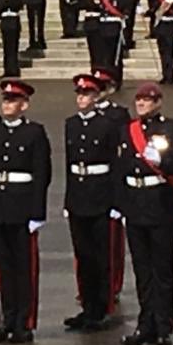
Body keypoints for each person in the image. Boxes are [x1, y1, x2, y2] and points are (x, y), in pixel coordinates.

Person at [115, 83, 173, 345]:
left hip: (161, 204)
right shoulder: (127, 130)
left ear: (158, 102)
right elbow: (120, 169)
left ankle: (163, 326)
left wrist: (163, 163)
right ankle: (145, 323)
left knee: (162, 268)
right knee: (142, 270)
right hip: (135, 204)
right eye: (138, 100)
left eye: (147, 100)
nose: (141, 104)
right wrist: (120, 204)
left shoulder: (171, 128)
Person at [0, 79, 51, 344]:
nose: (7, 105)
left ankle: (24, 321)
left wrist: (37, 213)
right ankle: (8, 318)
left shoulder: (34, 133)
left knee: (24, 269)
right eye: (5, 100)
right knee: (4, 268)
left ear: (24, 105)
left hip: (22, 207)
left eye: (13, 101)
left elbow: (41, 174)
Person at [63, 74, 119, 331]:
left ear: (96, 97)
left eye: (86, 94)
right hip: (79, 194)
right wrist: (68, 198)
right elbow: (70, 163)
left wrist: (116, 201)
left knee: (101, 255)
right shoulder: (71, 124)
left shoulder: (107, 125)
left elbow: (116, 165)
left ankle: (102, 309)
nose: (81, 99)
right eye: (79, 94)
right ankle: (87, 306)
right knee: (83, 255)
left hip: (100, 193)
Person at [91, 67, 131, 305]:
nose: (97, 93)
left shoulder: (118, 115)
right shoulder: (85, 115)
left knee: (112, 240)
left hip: (111, 178)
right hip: (90, 184)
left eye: (101, 88)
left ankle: (113, 284)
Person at [79, 0, 105, 69]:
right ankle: (94, 65)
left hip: (99, 21)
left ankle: (100, 65)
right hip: (89, 22)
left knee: (100, 47)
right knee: (92, 47)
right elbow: (81, 5)